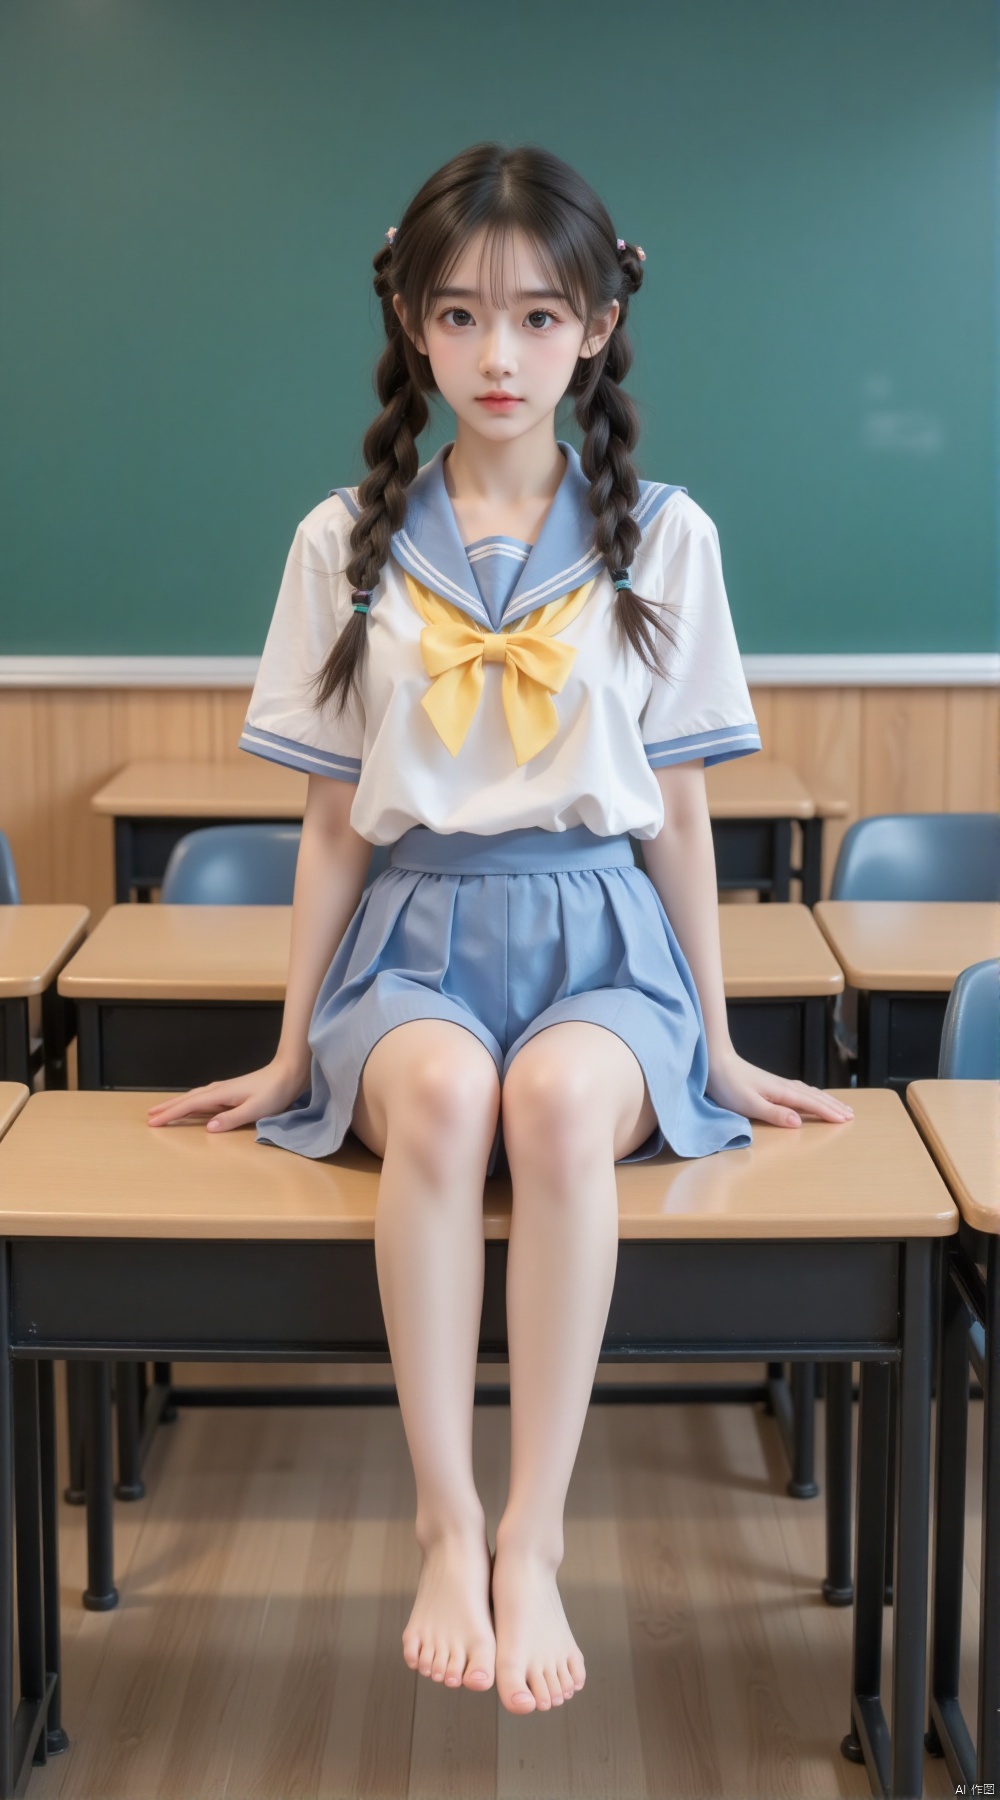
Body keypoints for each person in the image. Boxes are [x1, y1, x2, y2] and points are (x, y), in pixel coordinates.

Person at [148, 142, 853, 1717]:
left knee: (547, 1101)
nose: (499, 356)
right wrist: (282, 1053)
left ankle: (533, 1534)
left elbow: (677, 811)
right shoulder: (340, 541)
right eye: (461, 318)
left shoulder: (665, 536)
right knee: (454, 1095)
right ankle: (443, 1515)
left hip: (605, 940)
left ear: (599, 325)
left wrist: (723, 1049)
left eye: (540, 317)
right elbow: (333, 817)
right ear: (409, 321)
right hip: (413, 939)